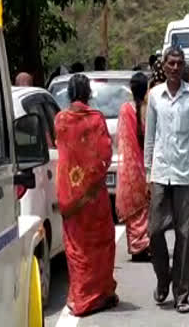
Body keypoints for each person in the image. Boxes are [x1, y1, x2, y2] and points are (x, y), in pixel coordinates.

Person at [144, 47, 189, 315]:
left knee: (184, 235)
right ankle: (163, 277)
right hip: (160, 173)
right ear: (164, 66)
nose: (175, 67)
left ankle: (181, 293)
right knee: (154, 232)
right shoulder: (155, 96)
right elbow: (150, 137)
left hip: (184, 175)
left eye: (179, 63)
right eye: (171, 63)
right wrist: (147, 173)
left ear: (183, 67)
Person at [54, 74, 118, 317]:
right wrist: (92, 178)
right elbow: (105, 154)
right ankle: (99, 295)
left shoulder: (60, 120)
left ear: (70, 94)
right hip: (93, 196)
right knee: (100, 245)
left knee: (76, 246)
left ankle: (80, 297)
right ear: (88, 93)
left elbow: (63, 150)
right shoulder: (95, 119)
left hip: (70, 196)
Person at [116, 72, 151, 261]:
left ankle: (135, 246)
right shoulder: (148, 109)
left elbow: (122, 140)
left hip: (130, 165)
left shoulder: (124, 109)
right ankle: (144, 244)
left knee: (133, 207)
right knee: (145, 207)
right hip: (145, 164)